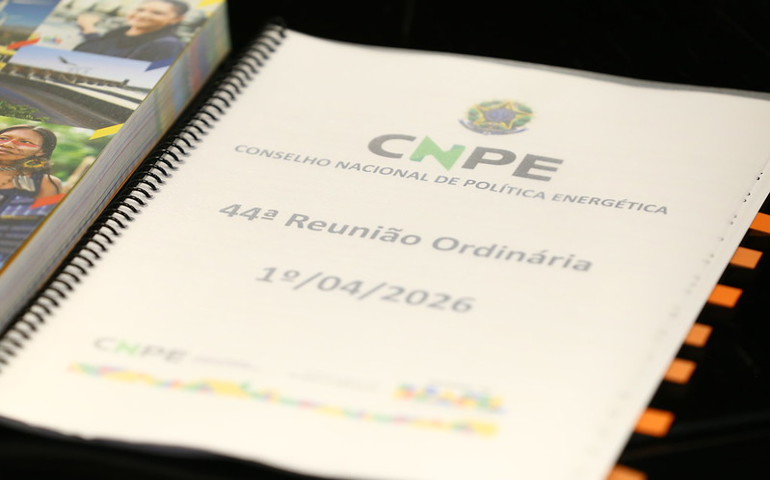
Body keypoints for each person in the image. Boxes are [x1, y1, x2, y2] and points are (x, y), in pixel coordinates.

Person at [73, 0, 189, 62]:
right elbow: (103, 46)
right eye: (140, 10)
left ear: (176, 19)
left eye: (157, 13)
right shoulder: (119, 32)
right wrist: (88, 26)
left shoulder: (168, 45)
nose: (142, 15)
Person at [0, 125, 61, 199]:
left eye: (25, 142)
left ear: (42, 151)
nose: (7, 144)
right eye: (3, 138)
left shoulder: (45, 183)